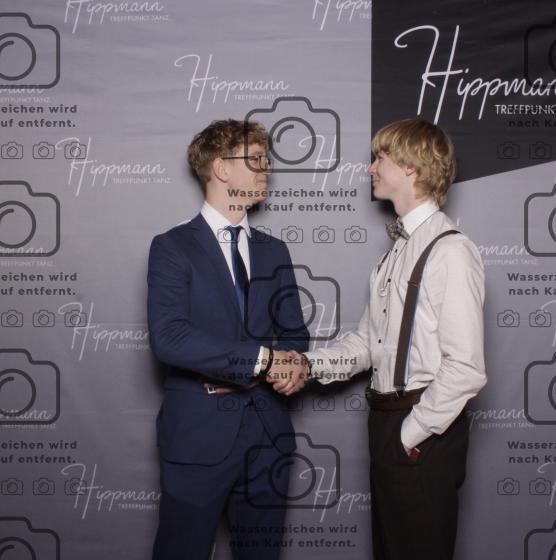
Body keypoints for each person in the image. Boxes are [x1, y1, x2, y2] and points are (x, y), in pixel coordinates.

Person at [281, 118, 487, 559]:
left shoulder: (450, 251)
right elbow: (366, 344)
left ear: (411, 167)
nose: (371, 168)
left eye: (380, 158)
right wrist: (308, 365)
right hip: (387, 422)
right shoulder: (396, 251)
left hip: (422, 427)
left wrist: (410, 434)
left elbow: (466, 367)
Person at [146, 119, 310, 559]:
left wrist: (292, 364)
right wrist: (262, 361)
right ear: (220, 168)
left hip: (268, 434)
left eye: (267, 160)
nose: (267, 169)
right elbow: (169, 338)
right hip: (198, 436)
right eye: (255, 160)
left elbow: (295, 334)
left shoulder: (275, 251)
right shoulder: (172, 247)